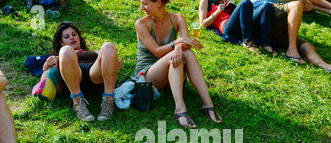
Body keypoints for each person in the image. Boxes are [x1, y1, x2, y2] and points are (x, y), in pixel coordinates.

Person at [135, 0, 221, 129]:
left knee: (187, 53)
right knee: (176, 54)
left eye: (145, 3)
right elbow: (157, 52)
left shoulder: (177, 18)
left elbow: (186, 43)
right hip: (148, 75)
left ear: (158, 3)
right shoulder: (141, 24)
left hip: (172, 74)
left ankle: (207, 104)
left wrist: (178, 47)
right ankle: (180, 109)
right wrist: (177, 43)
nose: (142, 8)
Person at [43, 21, 121, 121]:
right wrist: (46, 65)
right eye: (67, 37)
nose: (72, 37)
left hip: (94, 74)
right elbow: (46, 76)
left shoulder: (92, 53)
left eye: (74, 34)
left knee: (108, 46)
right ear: (61, 42)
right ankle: (77, 102)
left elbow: (106, 59)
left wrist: (112, 62)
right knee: (66, 50)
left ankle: (109, 101)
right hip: (72, 76)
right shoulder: (58, 57)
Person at [254, 0, 331, 75]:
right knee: (296, 4)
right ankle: (292, 51)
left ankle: (325, 66)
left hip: (273, 29)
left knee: (307, 46)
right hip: (261, 15)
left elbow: (309, 6)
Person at [199, 0, 277, 56]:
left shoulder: (225, 1)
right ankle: (248, 42)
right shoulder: (205, 1)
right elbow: (203, 24)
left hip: (240, 25)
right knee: (245, 2)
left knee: (267, 6)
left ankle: (265, 43)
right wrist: (217, 11)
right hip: (227, 28)